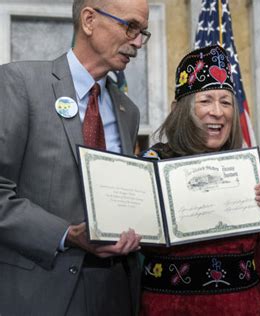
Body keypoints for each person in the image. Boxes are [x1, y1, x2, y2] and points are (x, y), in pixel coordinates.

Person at [0, 0, 150, 314]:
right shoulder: (19, 84)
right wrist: (67, 235)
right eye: (131, 27)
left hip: (115, 294)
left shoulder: (128, 111)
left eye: (143, 32)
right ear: (89, 20)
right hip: (40, 295)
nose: (137, 41)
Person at [139, 45, 260, 315]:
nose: (217, 112)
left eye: (226, 102)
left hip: (245, 308)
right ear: (180, 110)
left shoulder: (250, 171)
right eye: (206, 100)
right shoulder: (152, 166)